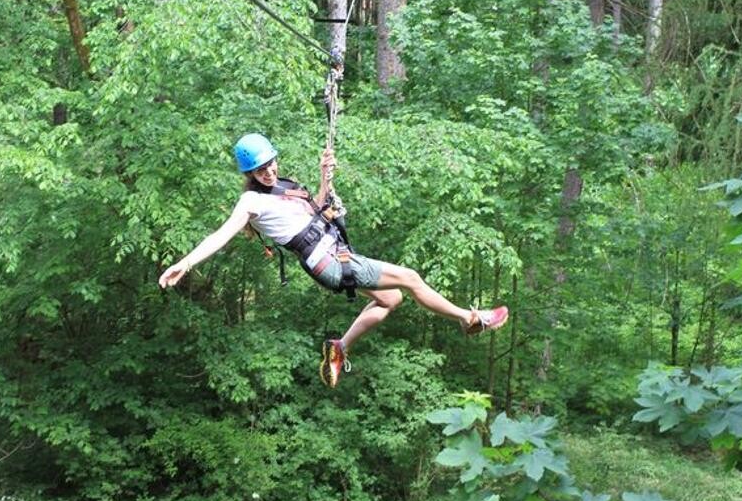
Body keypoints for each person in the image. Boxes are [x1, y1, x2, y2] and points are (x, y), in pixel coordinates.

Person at [158, 133, 508, 387]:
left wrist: (325, 178)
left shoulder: (285, 186)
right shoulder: (250, 203)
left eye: (270, 164)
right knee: (411, 278)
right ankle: (470, 318)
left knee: (392, 298)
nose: (267, 172)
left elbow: (316, 210)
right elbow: (220, 235)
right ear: (248, 174)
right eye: (259, 170)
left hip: (334, 252)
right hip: (328, 263)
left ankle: (339, 348)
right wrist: (186, 263)